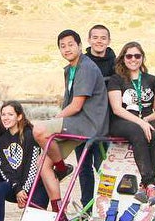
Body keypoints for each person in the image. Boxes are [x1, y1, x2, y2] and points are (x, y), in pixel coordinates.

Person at [33, 29, 109, 210]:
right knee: (42, 164)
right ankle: (59, 212)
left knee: (39, 130)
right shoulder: (70, 69)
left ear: (81, 46)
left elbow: (76, 106)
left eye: (70, 44)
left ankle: (61, 168)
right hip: (75, 123)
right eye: (62, 46)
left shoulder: (86, 67)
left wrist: (55, 120)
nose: (66, 49)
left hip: (88, 123)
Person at [106, 41, 155, 203]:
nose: (133, 59)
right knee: (137, 131)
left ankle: (145, 186)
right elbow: (117, 109)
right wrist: (140, 123)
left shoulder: (152, 79)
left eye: (137, 56)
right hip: (123, 119)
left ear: (142, 58)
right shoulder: (116, 79)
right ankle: (149, 182)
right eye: (129, 56)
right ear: (123, 58)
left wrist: (145, 120)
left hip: (146, 117)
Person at [75, 24, 116, 206]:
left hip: (103, 124)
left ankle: (104, 207)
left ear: (108, 41)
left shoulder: (116, 63)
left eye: (103, 38)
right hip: (82, 122)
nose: (99, 41)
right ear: (89, 40)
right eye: (95, 37)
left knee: (103, 167)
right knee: (83, 168)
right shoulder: (81, 62)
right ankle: (86, 205)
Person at [0, 100, 48, 221]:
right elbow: (4, 169)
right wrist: (17, 189)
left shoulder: (30, 135)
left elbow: (33, 166)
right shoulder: (2, 141)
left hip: (33, 185)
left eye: (10, 114)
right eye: (3, 114)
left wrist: (24, 190)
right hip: (14, 186)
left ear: (19, 116)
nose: (6, 118)